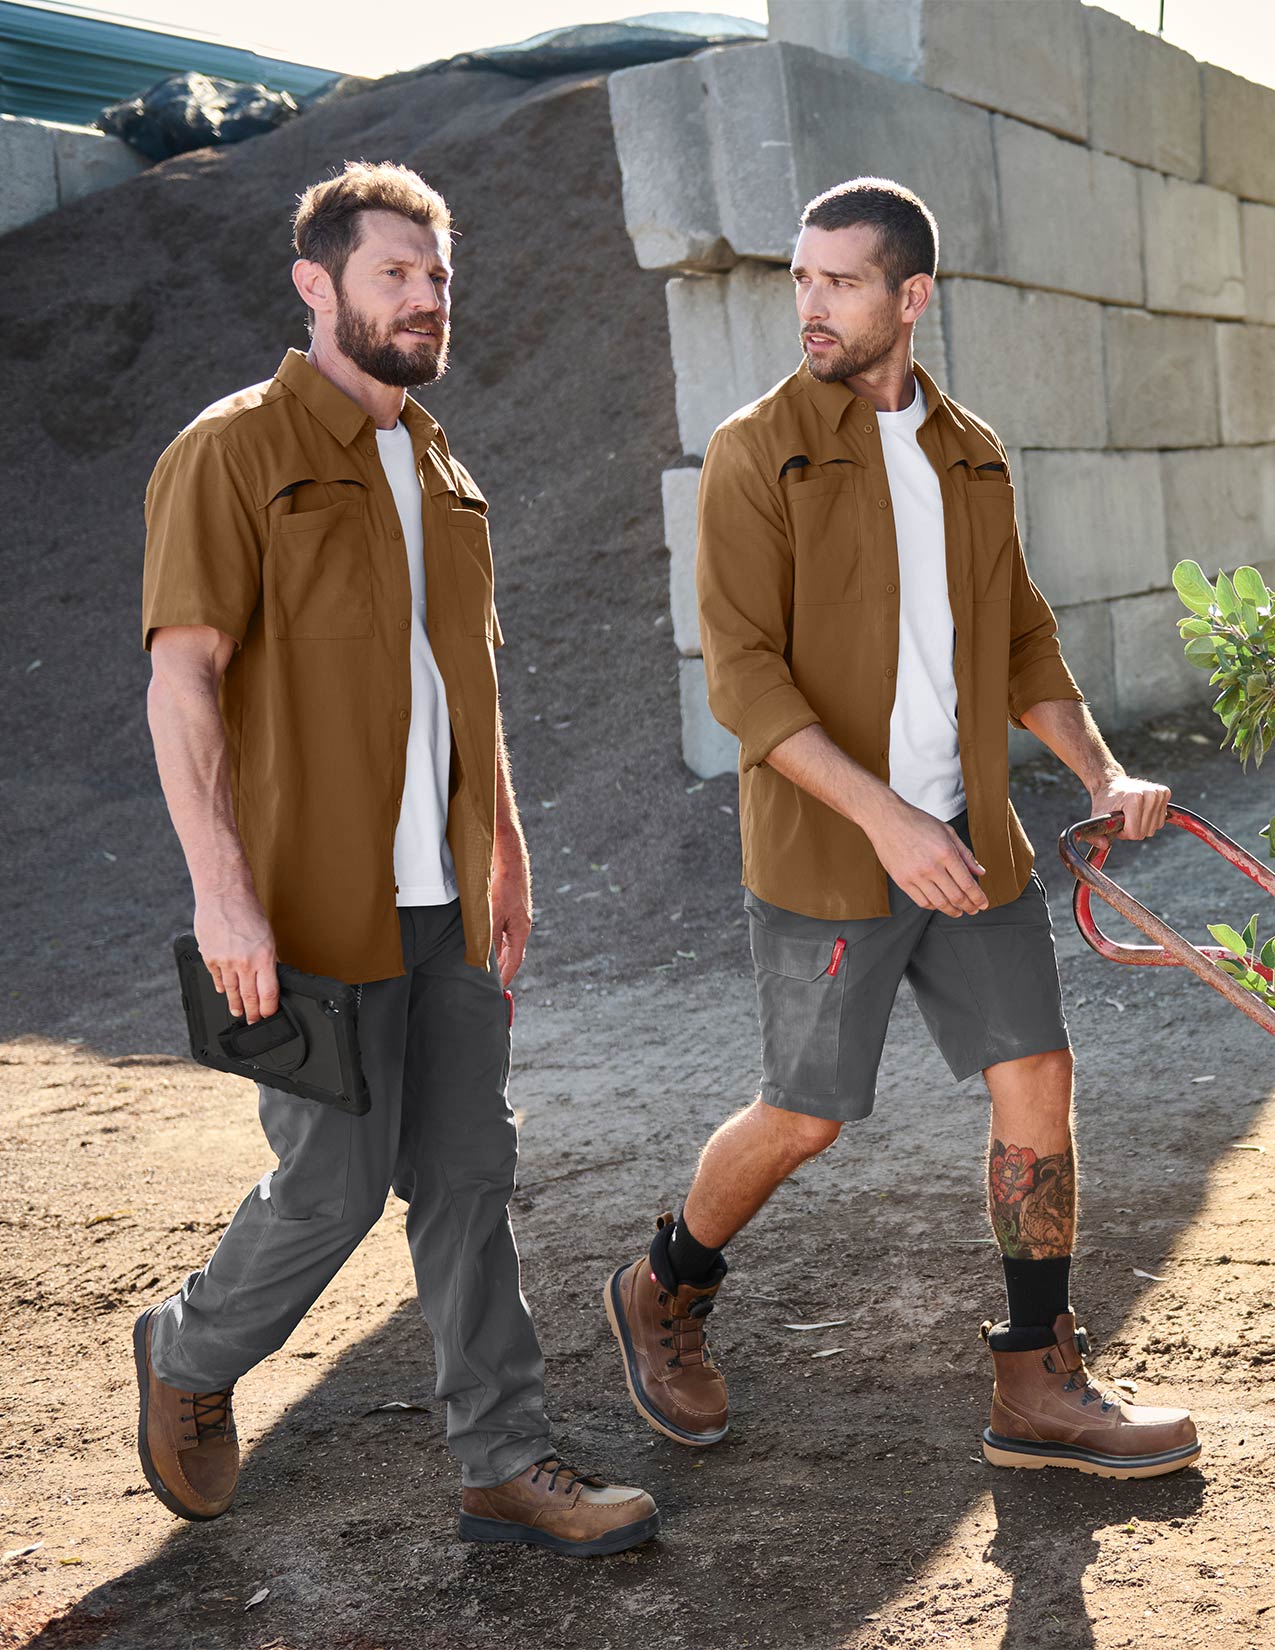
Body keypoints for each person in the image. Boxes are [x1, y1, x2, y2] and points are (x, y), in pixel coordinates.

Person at [605, 177, 1199, 1481]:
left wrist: (1099, 768)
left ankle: (1035, 1376)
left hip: (970, 841)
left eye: (841, 281)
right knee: (805, 1115)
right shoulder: (757, 451)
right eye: (802, 279)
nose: (810, 304)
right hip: (831, 851)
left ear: (911, 295)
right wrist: (883, 820)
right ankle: (665, 1283)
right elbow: (743, 679)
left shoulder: (970, 453)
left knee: (1038, 1076)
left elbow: (1021, 636)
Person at [136, 160, 658, 1555]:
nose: (427, 298)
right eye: (396, 274)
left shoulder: (442, 470)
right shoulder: (232, 452)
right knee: (334, 1187)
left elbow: (463, 689)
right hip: (312, 902)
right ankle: (189, 1349)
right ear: (316, 285)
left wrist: (507, 849)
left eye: (438, 276)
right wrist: (223, 893)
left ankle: (506, 1459)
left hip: (448, 901)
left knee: (470, 1177)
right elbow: (183, 681)